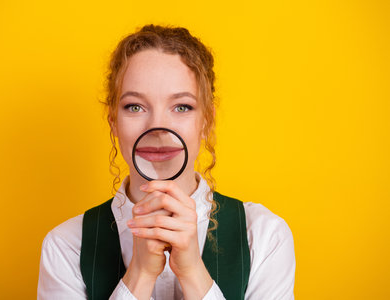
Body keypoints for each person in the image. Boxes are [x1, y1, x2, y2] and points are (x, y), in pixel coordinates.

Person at [37, 24, 295, 300]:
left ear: (206, 120)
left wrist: (194, 272)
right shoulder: (66, 246)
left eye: (182, 107)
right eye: (135, 107)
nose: (158, 127)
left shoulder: (263, 235)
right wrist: (139, 274)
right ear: (113, 121)